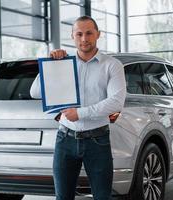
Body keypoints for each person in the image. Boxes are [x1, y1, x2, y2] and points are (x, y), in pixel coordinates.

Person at [30, 16, 126, 200]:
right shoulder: (63, 64)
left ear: (98, 34)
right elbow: (35, 91)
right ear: (72, 36)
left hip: (97, 140)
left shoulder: (112, 65)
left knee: (102, 197)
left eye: (89, 33)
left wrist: (80, 113)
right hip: (65, 139)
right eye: (79, 34)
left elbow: (116, 102)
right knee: (63, 197)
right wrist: (49, 65)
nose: (84, 39)